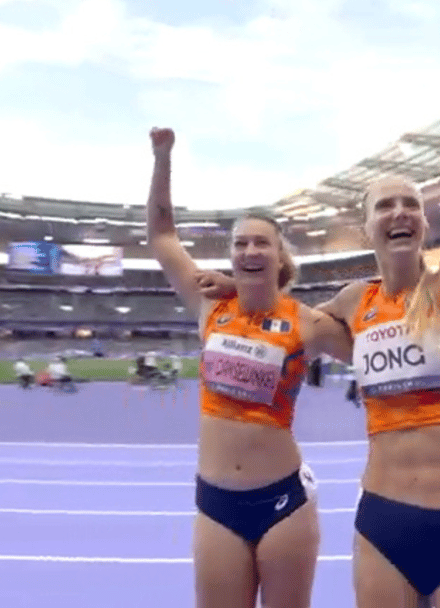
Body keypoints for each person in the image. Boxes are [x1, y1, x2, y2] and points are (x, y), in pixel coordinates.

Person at [197, 7, 440, 607]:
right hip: (381, 529)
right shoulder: (351, 304)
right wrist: (237, 289)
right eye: (385, 205)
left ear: (424, 221)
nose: (399, 212)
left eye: (410, 203)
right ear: (367, 227)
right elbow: (279, 323)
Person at [145, 126, 351, 608]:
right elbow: (161, 234)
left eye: (262, 243)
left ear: (280, 257)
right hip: (216, 504)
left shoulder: (308, 323)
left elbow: (372, 344)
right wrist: (162, 158)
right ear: (232, 255)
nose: (250, 251)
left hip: (284, 504)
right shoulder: (209, 304)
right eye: (241, 244)